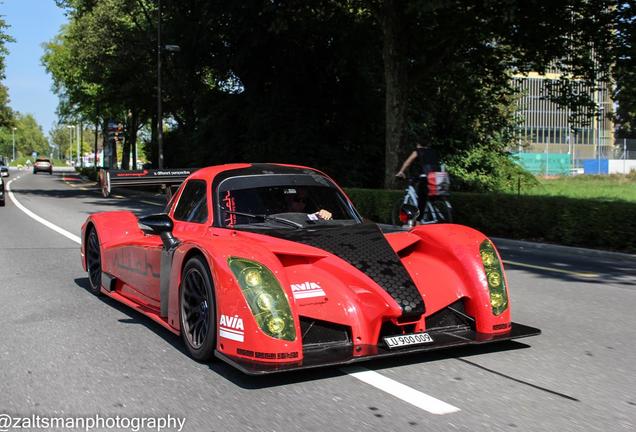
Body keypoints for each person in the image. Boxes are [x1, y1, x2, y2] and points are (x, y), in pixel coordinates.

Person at [395, 142, 441, 221]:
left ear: (418, 144)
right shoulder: (433, 151)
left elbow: (407, 162)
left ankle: (418, 221)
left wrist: (401, 172)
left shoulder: (418, 151)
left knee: (421, 200)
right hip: (437, 178)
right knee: (430, 197)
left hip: (426, 178)